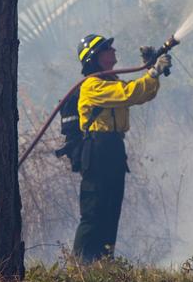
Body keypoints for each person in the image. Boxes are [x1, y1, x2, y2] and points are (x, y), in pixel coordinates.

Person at [72, 33, 171, 262]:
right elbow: (128, 94)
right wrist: (153, 71)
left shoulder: (112, 81)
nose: (114, 51)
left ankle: (104, 264)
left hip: (114, 149)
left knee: (111, 209)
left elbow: (143, 94)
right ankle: (80, 268)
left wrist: (151, 73)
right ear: (96, 57)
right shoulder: (92, 86)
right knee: (93, 211)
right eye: (108, 48)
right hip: (96, 150)